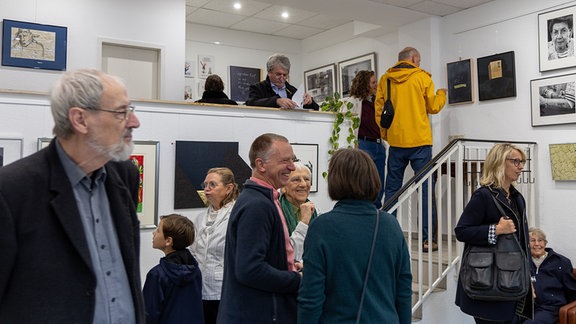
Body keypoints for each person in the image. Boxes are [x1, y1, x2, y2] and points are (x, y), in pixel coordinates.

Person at [0, 69, 144, 322]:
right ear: (80, 120)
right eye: (122, 112)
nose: (134, 122)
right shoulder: (12, 191)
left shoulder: (125, 175)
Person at [298, 148, 412, 323]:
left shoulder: (322, 227)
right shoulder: (391, 225)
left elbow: (311, 298)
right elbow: (403, 289)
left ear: (335, 180)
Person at [217, 133, 302, 323]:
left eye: (293, 160)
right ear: (261, 165)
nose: (292, 166)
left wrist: (289, 266)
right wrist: (298, 280)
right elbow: (250, 269)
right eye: (285, 161)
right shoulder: (257, 205)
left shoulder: (264, 200)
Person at [375, 46, 447, 252]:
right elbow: (433, 106)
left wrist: (386, 135)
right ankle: (427, 240)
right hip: (420, 143)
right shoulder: (422, 77)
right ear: (414, 58)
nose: (420, 63)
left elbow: (379, 111)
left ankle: (387, 237)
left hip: (396, 143)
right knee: (425, 189)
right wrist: (441, 94)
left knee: (392, 190)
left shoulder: (386, 79)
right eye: (420, 60)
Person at [455, 143, 533, 323]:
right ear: (499, 162)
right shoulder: (483, 195)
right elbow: (462, 231)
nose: (521, 166)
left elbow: (523, 243)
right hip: (488, 283)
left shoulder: (516, 198)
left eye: (522, 162)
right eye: (516, 161)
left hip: (512, 280)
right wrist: (495, 230)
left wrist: (529, 280)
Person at [190, 167, 239, 324]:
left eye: (212, 185)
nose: (207, 189)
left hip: (225, 291)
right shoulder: (200, 218)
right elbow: (193, 251)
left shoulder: (236, 215)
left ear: (228, 188)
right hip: (201, 289)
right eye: (205, 185)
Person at [143, 214, 204, 324]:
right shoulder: (196, 271)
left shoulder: (156, 275)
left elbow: (148, 314)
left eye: (158, 230)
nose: (153, 233)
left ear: (168, 241)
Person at [347, 70, 386, 208]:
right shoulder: (354, 102)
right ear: (365, 84)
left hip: (379, 146)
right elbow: (349, 127)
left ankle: (376, 211)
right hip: (363, 145)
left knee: (379, 183)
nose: (376, 85)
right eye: (373, 82)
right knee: (363, 182)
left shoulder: (378, 102)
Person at [522, 227, 576, 324]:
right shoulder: (522, 261)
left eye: (540, 240)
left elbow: (572, 290)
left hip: (550, 307)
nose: (537, 244)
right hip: (526, 306)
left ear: (545, 243)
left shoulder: (561, 262)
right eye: (532, 241)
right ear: (526, 244)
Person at [245, 53, 319, 110]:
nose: (282, 78)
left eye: (285, 75)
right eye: (278, 74)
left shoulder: (292, 90)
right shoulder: (257, 88)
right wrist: (276, 101)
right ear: (269, 72)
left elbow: (316, 109)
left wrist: (310, 102)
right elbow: (250, 103)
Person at [280, 161, 318, 261]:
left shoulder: (316, 212)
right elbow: (289, 255)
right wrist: (304, 221)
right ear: (283, 187)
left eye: (306, 179)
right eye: (296, 180)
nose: (303, 184)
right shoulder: (275, 212)